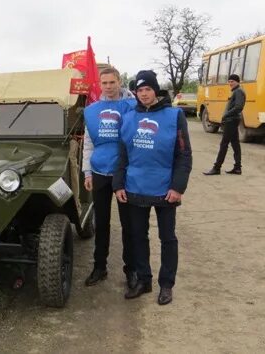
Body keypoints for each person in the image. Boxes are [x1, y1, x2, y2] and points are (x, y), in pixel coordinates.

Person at [114, 70, 192, 305]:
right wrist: (118, 184)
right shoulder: (128, 118)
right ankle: (144, 280)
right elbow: (123, 154)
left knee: (167, 237)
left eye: (148, 89)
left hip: (165, 189)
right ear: (135, 93)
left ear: (155, 90)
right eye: (139, 90)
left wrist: (177, 187)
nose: (144, 94)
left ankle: (166, 284)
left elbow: (184, 154)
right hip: (135, 187)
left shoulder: (174, 116)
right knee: (138, 236)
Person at [82, 67, 137, 290]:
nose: (108, 87)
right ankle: (99, 266)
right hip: (100, 173)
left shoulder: (133, 107)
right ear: (100, 84)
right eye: (104, 83)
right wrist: (87, 171)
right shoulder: (92, 111)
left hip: (125, 174)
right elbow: (88, 143)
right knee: (101, 223)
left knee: (128, 224)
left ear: (119, 81)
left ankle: (131, 269)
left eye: (112, 82)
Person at [203, 74, 246, 175]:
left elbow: (238, 107)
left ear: (237, 82)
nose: (230, 83)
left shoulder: (238, 91)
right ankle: (237, 168)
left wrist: (226, 115)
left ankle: (217, 168)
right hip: (232, 120)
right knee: (235, 144)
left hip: (231, 120)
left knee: (224, 144)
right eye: (229, 81)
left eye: (232, 81)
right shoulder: (236, 91)